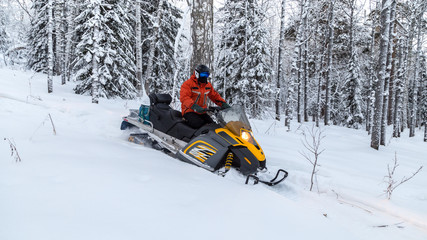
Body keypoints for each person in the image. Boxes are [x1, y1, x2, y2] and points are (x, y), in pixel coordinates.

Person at [180, 64, 230, 129]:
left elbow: (214, 96)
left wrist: (223, 103)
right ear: (197, 74)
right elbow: (184, 98)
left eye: (206, 75)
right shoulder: (188, 84)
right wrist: (194, 106)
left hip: (202, 111)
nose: (204, 77)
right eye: (203, 74)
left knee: (212, 125)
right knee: (199, 125)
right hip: (189, 111)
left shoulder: (207, 85)